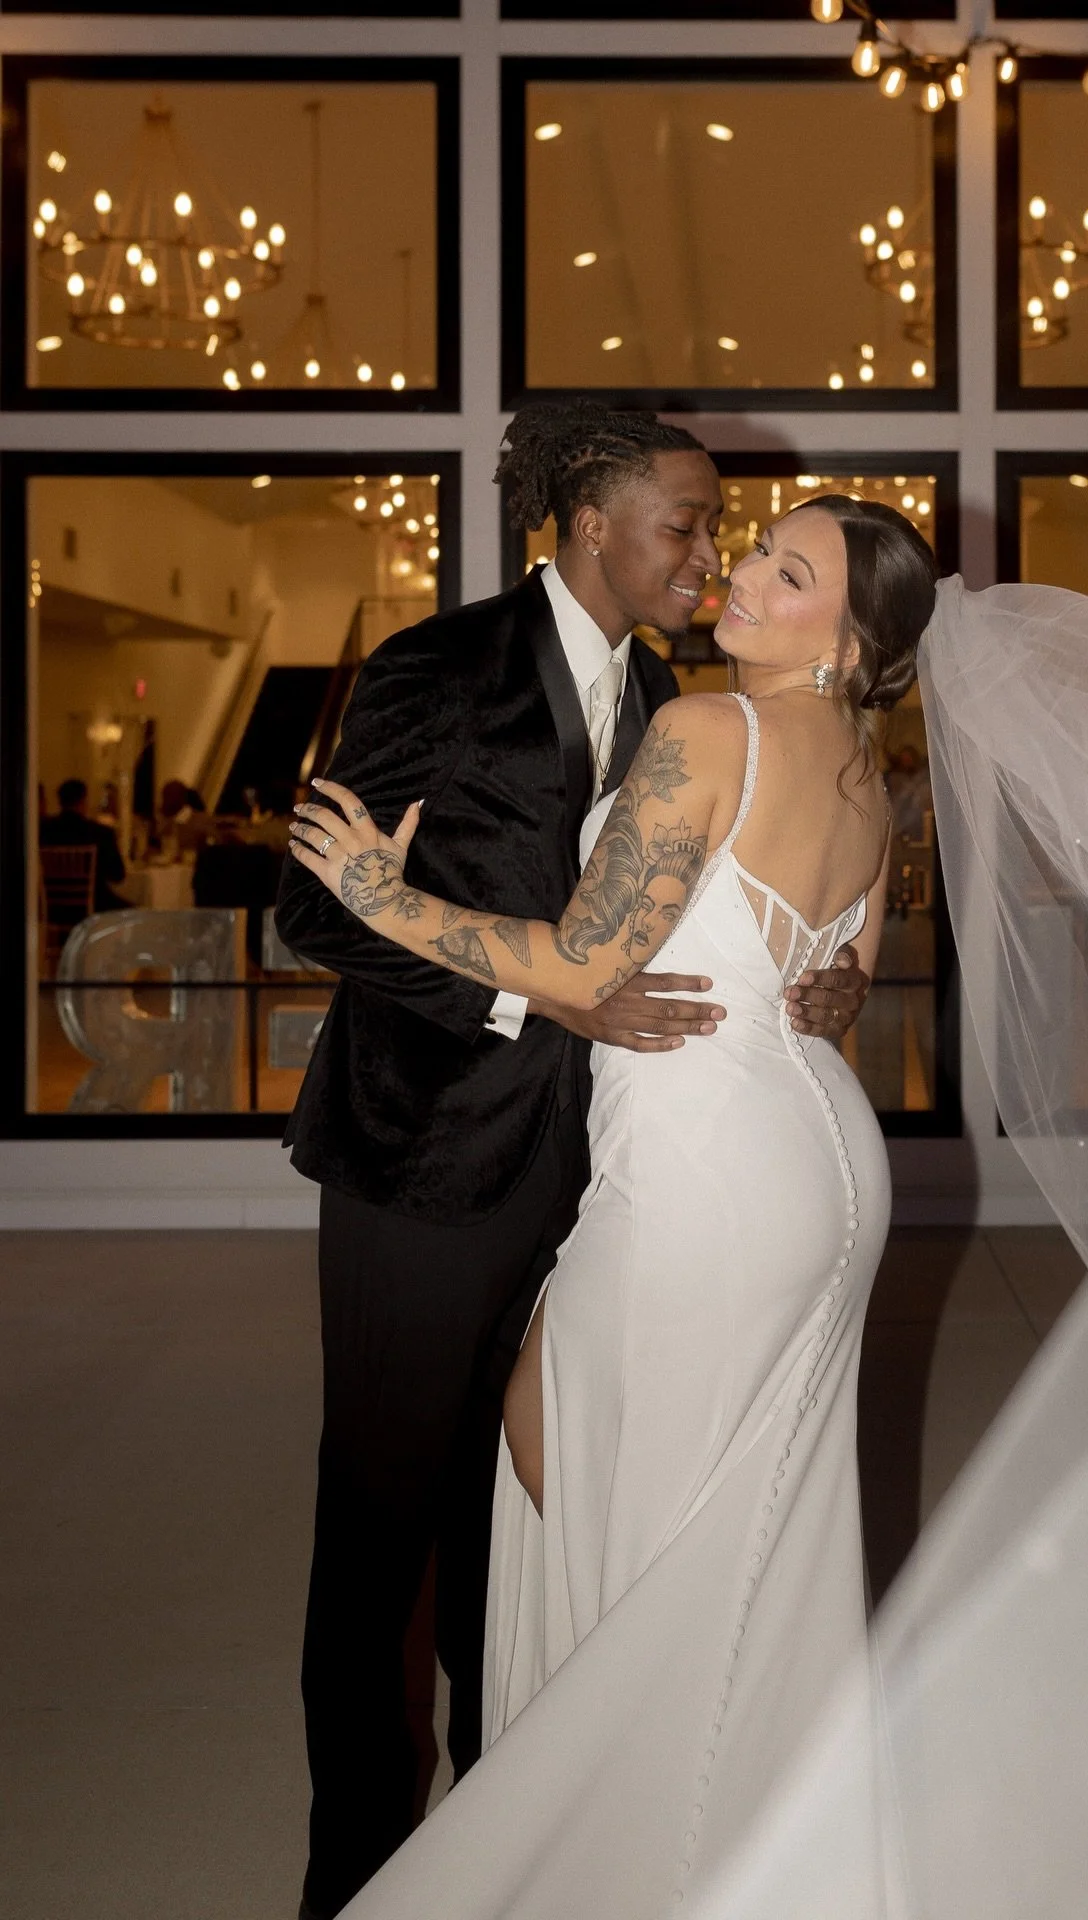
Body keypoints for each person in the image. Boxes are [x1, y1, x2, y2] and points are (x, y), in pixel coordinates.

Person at [287, 491, 931, 1917]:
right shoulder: (865, 774)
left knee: (587, 1484)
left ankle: (601, 1857)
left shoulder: (705, 728)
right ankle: (727, 1841)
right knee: (722, 1515)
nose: (745, 571)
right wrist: (820, 988)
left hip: (711, 1176)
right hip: (817, 1160)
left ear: (852, 638)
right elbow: (837, 982)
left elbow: (583, 963)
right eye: (759, 547)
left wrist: (379, 893)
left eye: (790, 569)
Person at [39, 777, 128, 913]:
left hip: (53, 908)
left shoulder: (43, 831)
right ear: (83, 801)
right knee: (136, 913)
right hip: (95, 905)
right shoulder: (101, 833)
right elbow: (118, 875)